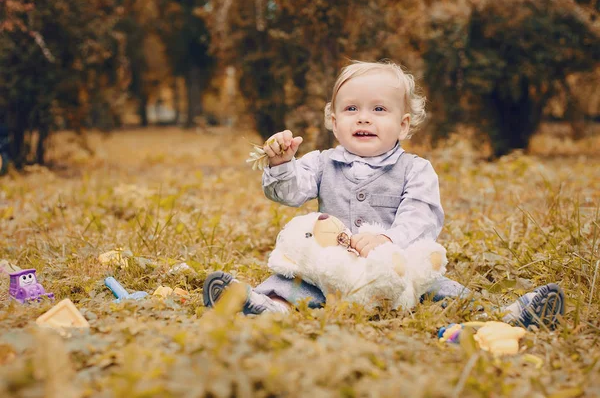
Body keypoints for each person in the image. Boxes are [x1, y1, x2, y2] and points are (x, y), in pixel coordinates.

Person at [203, 60, 564, 329]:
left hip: (397, 269)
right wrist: (282, 163)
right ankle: (265, 305)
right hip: (334, 269)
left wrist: (386, 239)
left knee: (437, 286)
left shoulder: (416, 170)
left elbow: (422, 217)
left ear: (403, 124)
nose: (363, 118)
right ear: (333, 120)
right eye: (351, 109)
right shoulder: (321, 162)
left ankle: (498, 317)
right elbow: (289, 192)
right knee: (293, 281)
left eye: (378, 109)